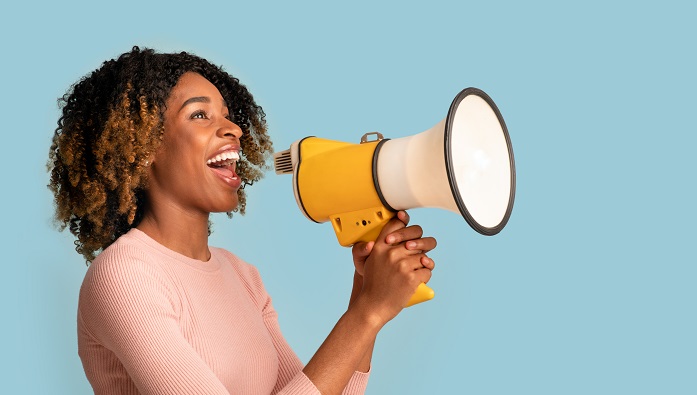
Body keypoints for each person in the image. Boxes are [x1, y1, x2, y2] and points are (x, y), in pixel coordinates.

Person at [47, 46, 436, 395]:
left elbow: (314, 389)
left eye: (229, 116)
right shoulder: (124, 276)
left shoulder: (242, 275)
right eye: (199, 114)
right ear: (142, 148)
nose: (232, 129)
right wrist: (366, 314)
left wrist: (366, 288)